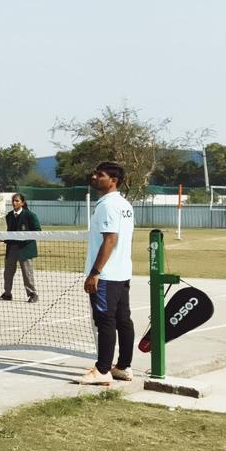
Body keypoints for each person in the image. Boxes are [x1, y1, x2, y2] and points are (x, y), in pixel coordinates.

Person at [75, 162, 136, 386]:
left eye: (99, 174)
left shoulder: (108, 205)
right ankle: (123, 367)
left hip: (107, 275)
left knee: (105, 321)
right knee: (122, 320)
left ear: (113, 181)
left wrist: (95, 272)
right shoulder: (125, 204)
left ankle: (102, 370)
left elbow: (110, 239)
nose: (94, 177)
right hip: (122, 272)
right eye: (95, 173)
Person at [0, 193, 41, 303]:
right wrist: (5, 239)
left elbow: (37, 231)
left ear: (22, 202)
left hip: (25, 249)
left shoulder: (30, 215)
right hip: (11, 249)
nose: (14, 202)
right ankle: (7, 294)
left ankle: (33, 294)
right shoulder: (9, 216)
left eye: (17, 200)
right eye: (13, 200)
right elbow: (10, 233)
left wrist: (24, 238)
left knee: (27, 273)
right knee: (8, 273)